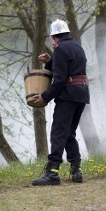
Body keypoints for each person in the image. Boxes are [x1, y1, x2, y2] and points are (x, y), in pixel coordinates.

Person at [30, 19, 90, 186]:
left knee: (58, 132)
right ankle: (76, 170)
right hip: (82, 95)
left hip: (68, 96)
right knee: (69, 133)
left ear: (54, 38)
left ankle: (53, 172)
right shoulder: (77, 47)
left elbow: (59, 79)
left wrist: (45, 96)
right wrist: (50, 62)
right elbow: (70, 69)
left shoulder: (61, 49)